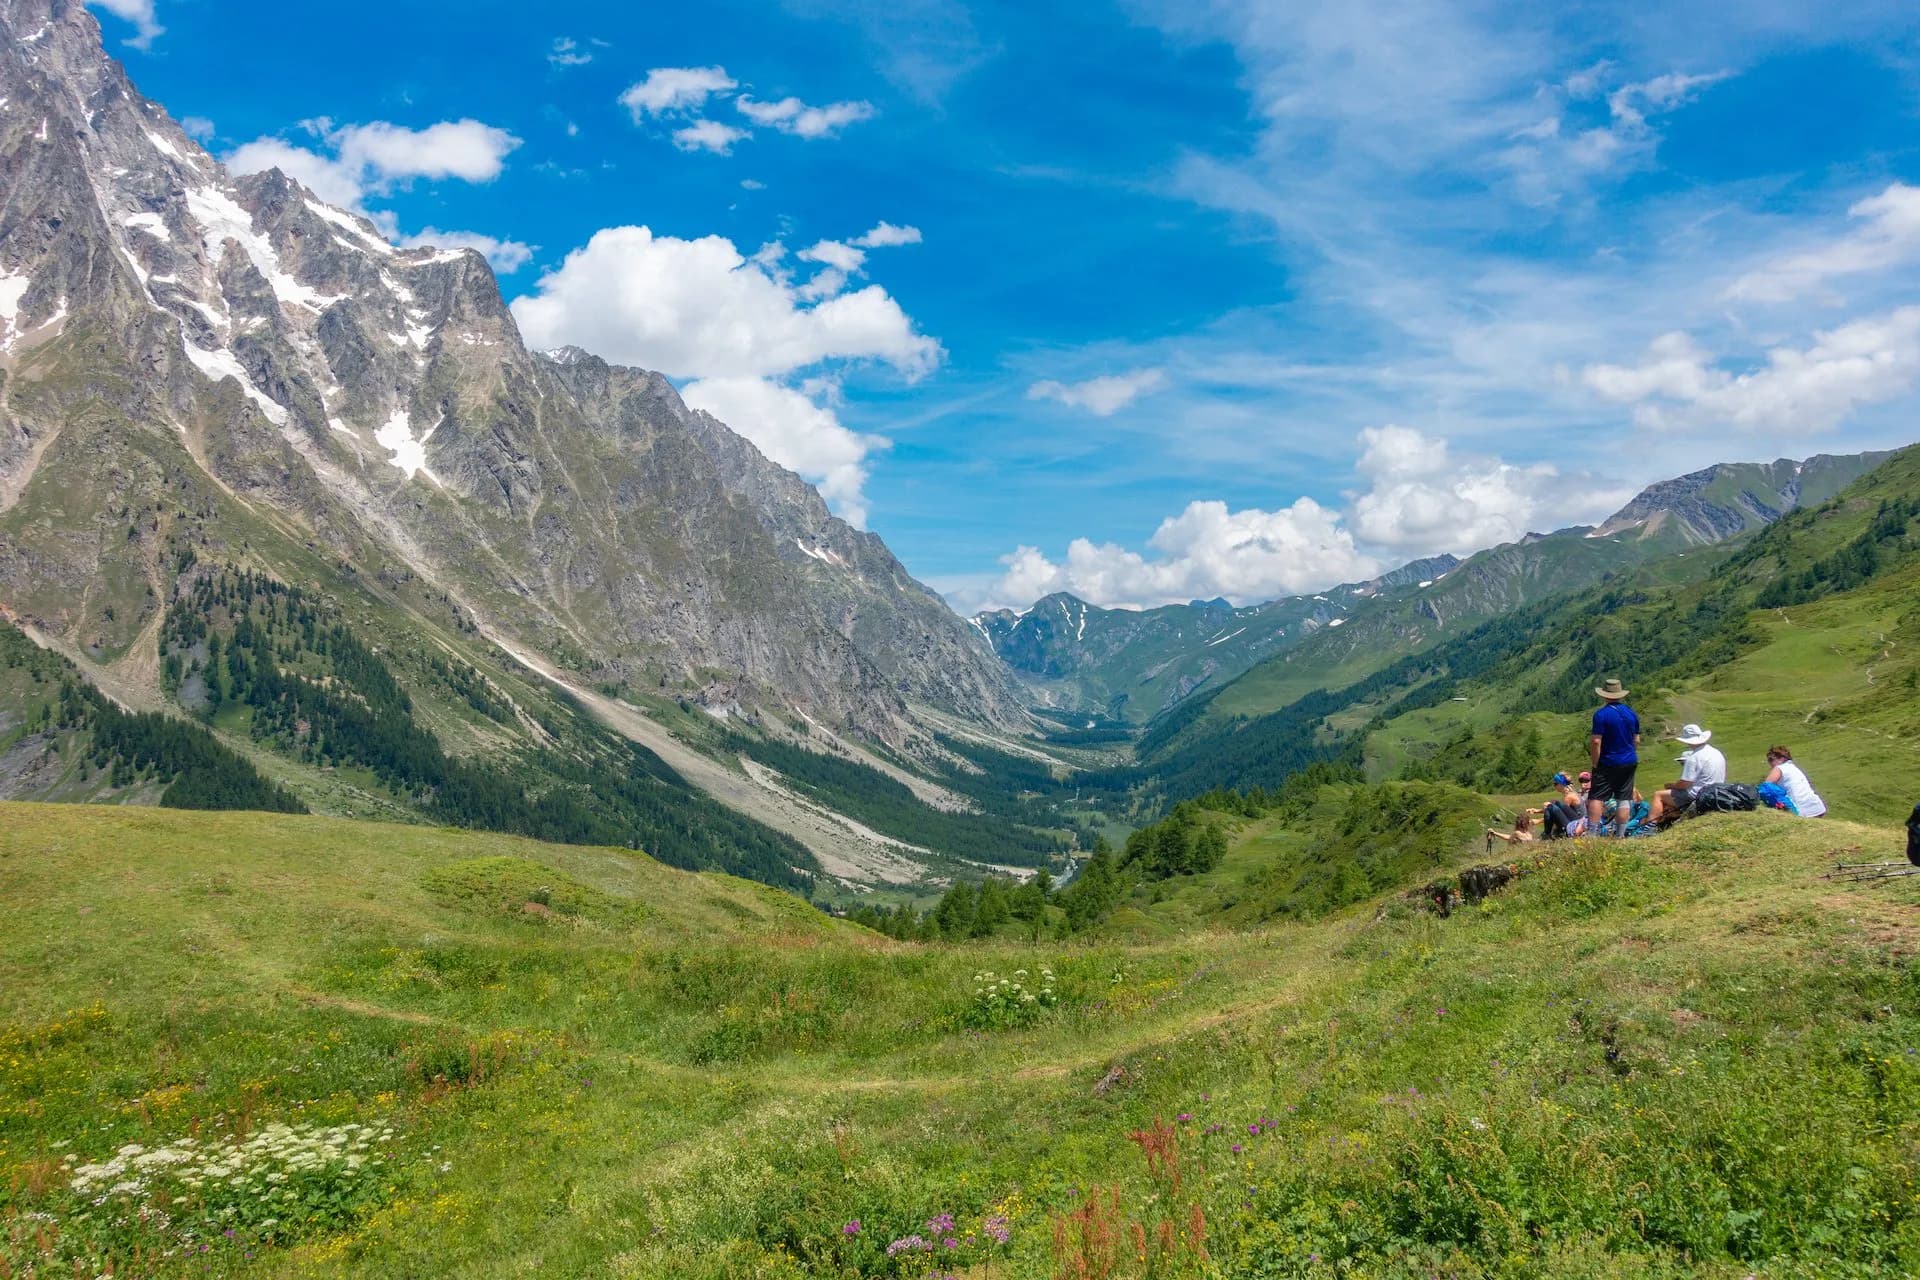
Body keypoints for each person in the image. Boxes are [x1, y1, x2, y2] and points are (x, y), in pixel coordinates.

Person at [1587, 679, 1640, 838]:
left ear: (1604, 695)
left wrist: (1595, 763)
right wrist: (1630, 753)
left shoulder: (1601, 715)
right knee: (1623, 798)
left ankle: (1592, 835)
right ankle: (1620, 835)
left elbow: (1596, 741)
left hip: (1608, 762)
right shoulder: (1632, 714)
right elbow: (1636, 740)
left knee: (1596, 797)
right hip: (1629, 761)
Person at [1649, 723, 1727, 827]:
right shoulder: (1716, 752)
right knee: (1670, 795)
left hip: (1698, 794)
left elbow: (1685, 783)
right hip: (1717, 790)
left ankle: (1649, 826)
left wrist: (1671, 786)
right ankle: (1670, 820)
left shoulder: (1694, 757)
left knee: (1658, 795)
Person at [1763, 746, 1826, 817]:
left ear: (1782, 758)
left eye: (1771, 759)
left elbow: (1765, 787)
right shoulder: (1793, 767)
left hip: (1802, 810)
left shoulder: (1779, 768)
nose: (1770, 763)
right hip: (1817, 806)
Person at [1540, 772, 1584, 839]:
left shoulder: (1568, 797)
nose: (1554, 786)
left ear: (1561, 784)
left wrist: (1538, 820)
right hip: (1578, 821)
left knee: (1551, 806)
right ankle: (1547, 834)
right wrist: (1537, 811)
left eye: (1555, 784)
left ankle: (1547, 834)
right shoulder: (1571, 793)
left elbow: (1559, 816)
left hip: (1576, 825)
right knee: (1555, 803)